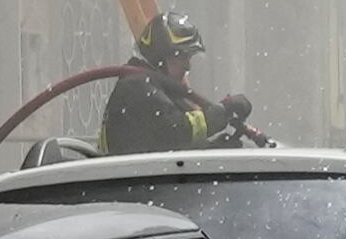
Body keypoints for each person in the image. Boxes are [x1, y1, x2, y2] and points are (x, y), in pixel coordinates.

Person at [96, 11, 252, 155]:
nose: (187, 66)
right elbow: (176, 131)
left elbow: (163, 147)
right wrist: (223, 111)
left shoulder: (151, 86)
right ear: (160, 56)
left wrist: (211, 148)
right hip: (135, 176)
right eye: (182, 57)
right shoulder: (136, 88)